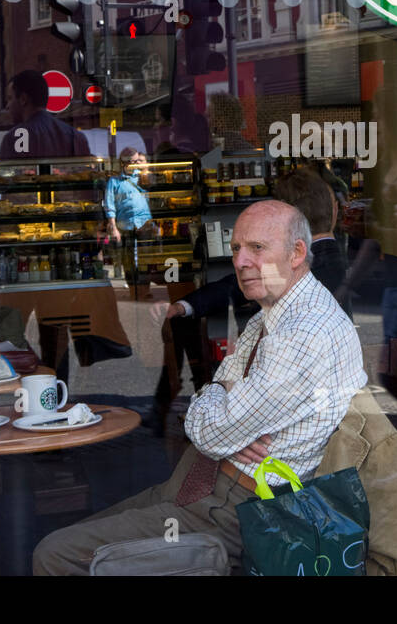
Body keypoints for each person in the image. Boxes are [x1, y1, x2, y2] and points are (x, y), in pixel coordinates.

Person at [34, 200, 366, 574]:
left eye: (257, 247)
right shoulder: (275, 312)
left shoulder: (302, 333)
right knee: (74, 538)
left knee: (55, 554)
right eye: (236, 248)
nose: (240, 261)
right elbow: (221, 392)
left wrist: (220, 402)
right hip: (206, 484)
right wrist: (222, 397)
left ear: (297, 253)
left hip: (237, 510)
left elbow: (210, 433)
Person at [149, 168, 351, 434]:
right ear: (333, 210)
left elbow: (237, 420)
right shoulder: (355, 258)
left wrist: (219, 410)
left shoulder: (297, 270)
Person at [0, 69, 90, 160]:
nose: (7, 106)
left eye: (10, 98)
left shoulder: (14, 139)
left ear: (23, 99)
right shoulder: (75, 136)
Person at [104, 147, 153, 285]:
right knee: (128, 261)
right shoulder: (114, 181)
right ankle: (133, 290)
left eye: (138, 161)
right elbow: (109, 206)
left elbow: (151, 200)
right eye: (133, 162)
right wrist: (114, 228)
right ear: (123, 163)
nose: (136, 164)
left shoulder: (143, 178)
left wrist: (153, 224)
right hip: (125, 227)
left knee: (146, 260)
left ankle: (145, 290)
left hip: (144, 225)